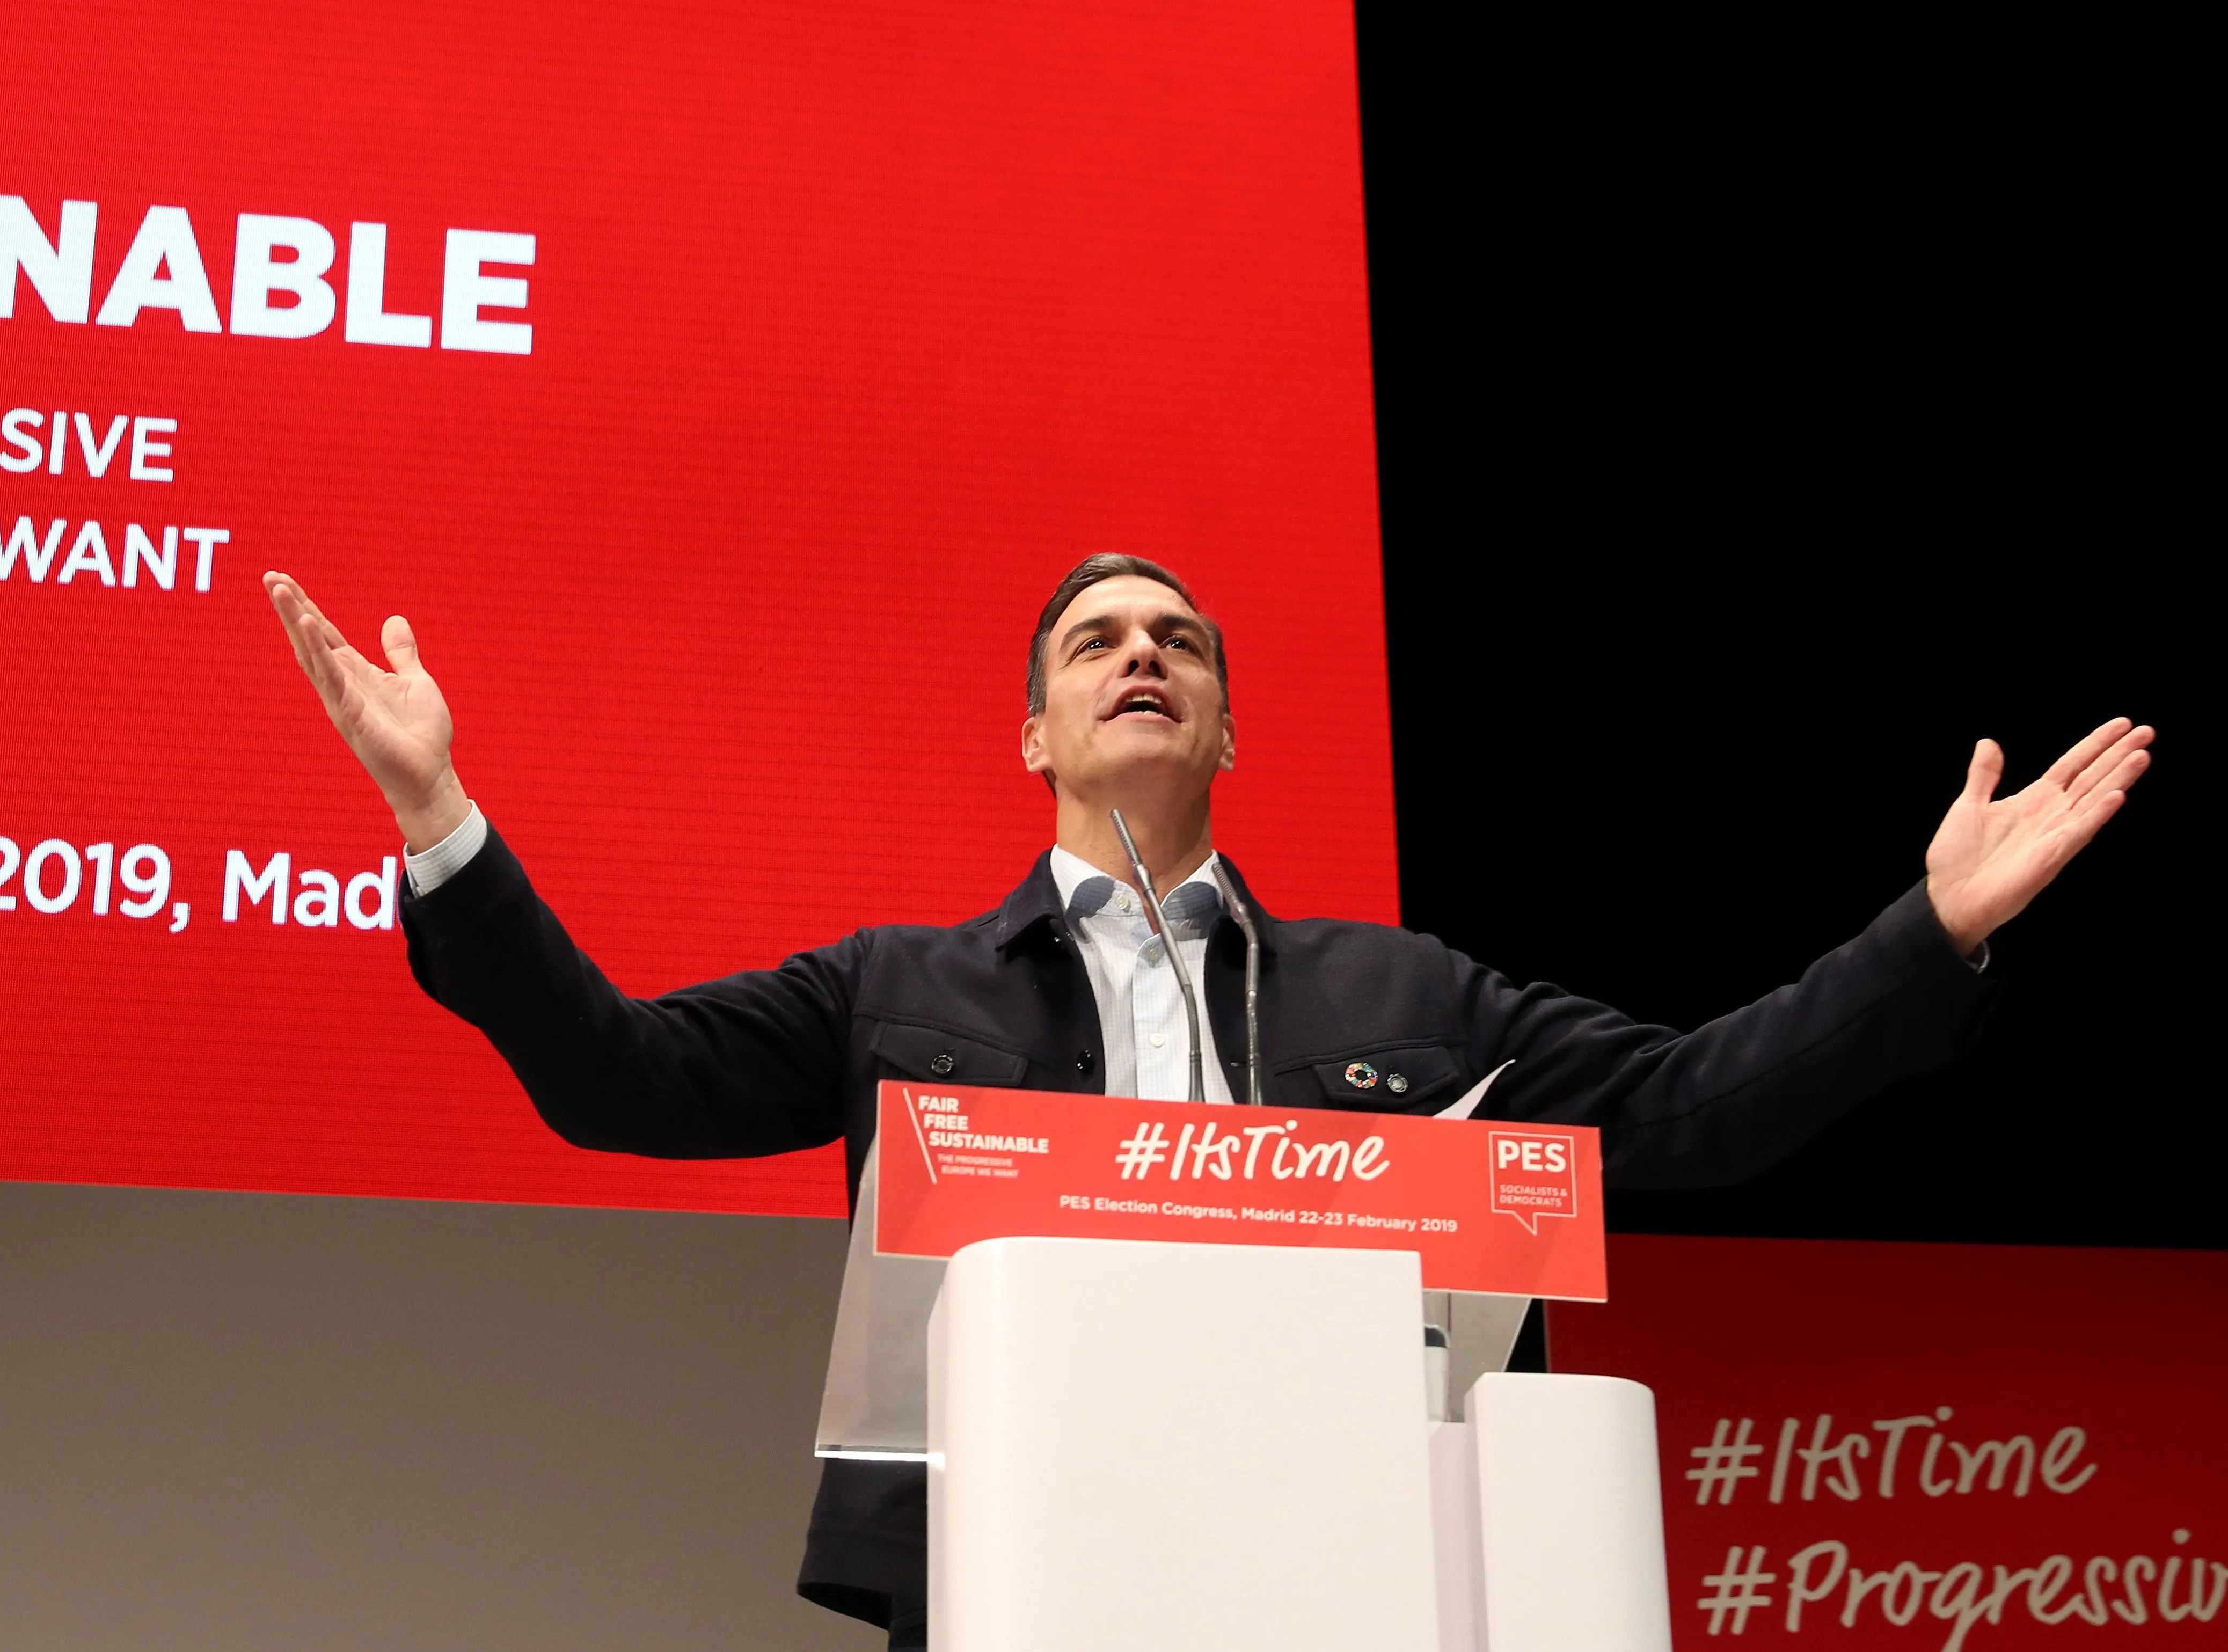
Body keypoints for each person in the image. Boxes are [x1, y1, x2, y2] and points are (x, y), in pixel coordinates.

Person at [261, 553, 2153, 1647]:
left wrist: (1929, 933)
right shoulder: (894, 990)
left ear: (1230, 727)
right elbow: (616, 1078)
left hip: (1362, 1581)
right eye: (1096, 642)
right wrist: (442, 820)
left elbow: (1697, 1106)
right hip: (1012, 1580)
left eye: (1178, 641)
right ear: (1036, 734)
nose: (1140, 655)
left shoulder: (1416, 995)